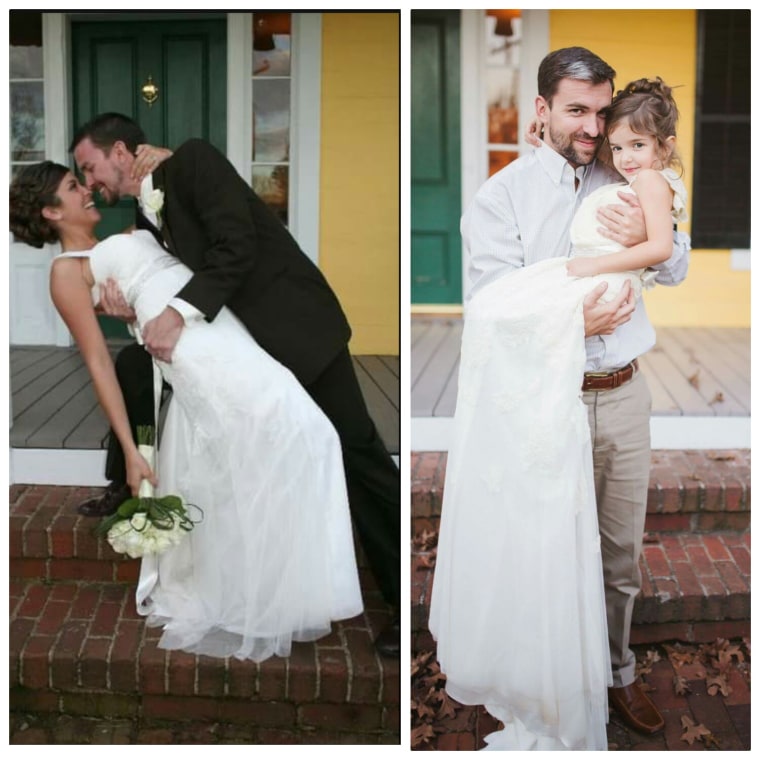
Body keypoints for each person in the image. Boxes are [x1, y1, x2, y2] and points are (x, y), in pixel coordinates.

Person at [428, 49, 690, 749]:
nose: (594, 126)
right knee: (542, 551)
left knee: (618, 558)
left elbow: (678, 261)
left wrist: (652, 241)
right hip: (546, 404)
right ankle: (542, 680)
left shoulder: (628, 170)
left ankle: (616, 673)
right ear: (541, 110)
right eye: (578, 111)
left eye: (603, 112)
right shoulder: (500, 198)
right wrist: (573, 322)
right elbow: (486, 311)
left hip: (624, 394)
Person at [68, 114, 400, 656]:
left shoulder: (194, 159)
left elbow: (235, 247)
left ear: (122, 151)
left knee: (355, 451)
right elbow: (175, 276)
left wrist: (175, 313)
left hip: (298, 332)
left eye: (91, 166)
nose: (90, 182)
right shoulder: (147, 216)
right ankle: (297, 589)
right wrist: (133, 309)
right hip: (248, 355)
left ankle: (406, 605)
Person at [10, 161, 365, 661]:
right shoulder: (66, 272)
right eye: (73, 187)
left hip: (219, 325)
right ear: (50, 210)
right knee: (301, 432)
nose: (87, 190)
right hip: (194, 354)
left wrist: (135, 310)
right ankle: (271, 595)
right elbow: (98, 364)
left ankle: (282, 586)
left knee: (294, 437)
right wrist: (131, 451)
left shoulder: (134, 228)